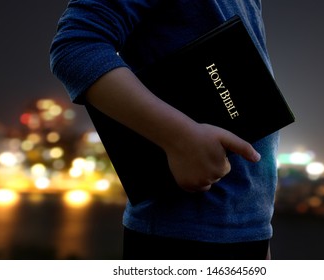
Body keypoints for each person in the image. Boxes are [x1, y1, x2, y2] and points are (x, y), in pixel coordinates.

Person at [50, 0, 280, 260]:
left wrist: (260, 236)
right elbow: (75, 46)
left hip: (250, 231)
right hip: (179, 236)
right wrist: (180, 138)